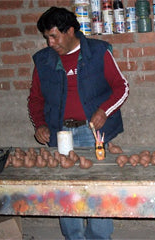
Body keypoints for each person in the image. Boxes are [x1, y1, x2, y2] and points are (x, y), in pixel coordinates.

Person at [28, 6, 129, 240]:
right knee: (66, 188)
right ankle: (73, 236)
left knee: (98, 188)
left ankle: (99, 237)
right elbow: (35, 99)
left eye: (54, 36)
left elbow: (122, 87)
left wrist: (105, 111)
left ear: (71, 30)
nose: (50, 42)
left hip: (93, 132)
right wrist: (40, 124)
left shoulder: (98, 51)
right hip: (60, 132)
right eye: (47, 37)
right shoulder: (43, 61)